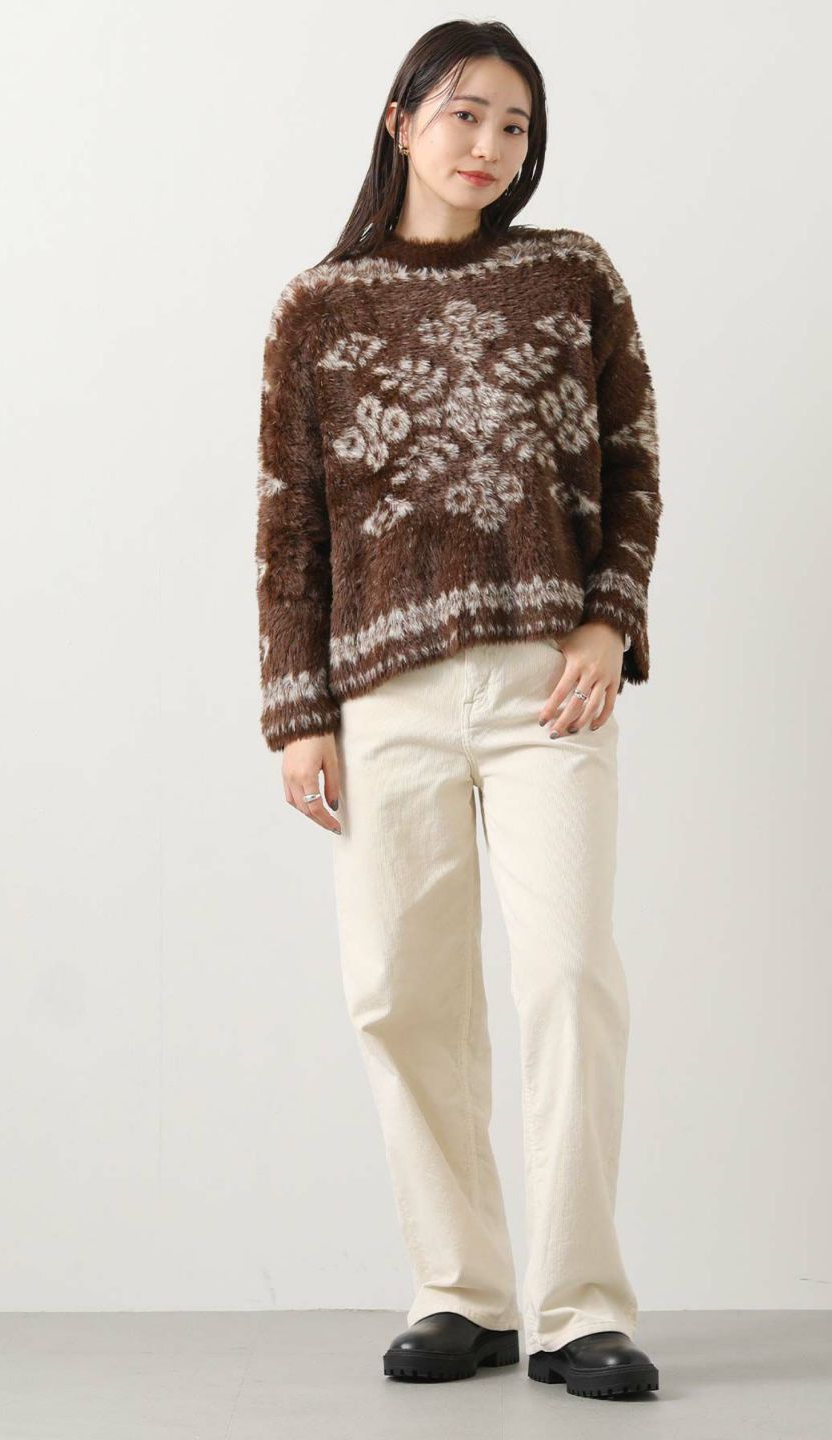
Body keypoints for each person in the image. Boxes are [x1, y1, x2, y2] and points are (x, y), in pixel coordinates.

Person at [255, 20, 661, 1401]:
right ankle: (462, 1290)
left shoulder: (572, 276)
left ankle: (580, 1305)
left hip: (551, 682)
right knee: (399, 991)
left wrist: (609, 616)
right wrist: (298, 710)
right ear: (401, 118)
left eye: (516, 125)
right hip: (386, 694)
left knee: (569, 980)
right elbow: (291, 522)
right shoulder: (319, 308)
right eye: (466, 113)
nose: (490, 145)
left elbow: (634, 461)